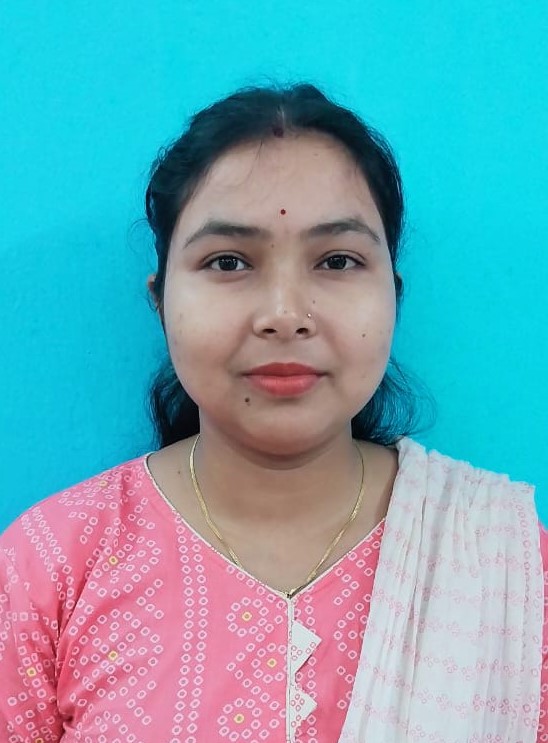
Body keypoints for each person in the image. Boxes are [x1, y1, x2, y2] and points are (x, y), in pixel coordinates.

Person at [0, 83, 545, 743]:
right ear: (160, 300)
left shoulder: (509, 569)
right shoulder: (52, 565)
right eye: (228, 261)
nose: (285, 315)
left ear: (393, 297)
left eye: (337, 260)